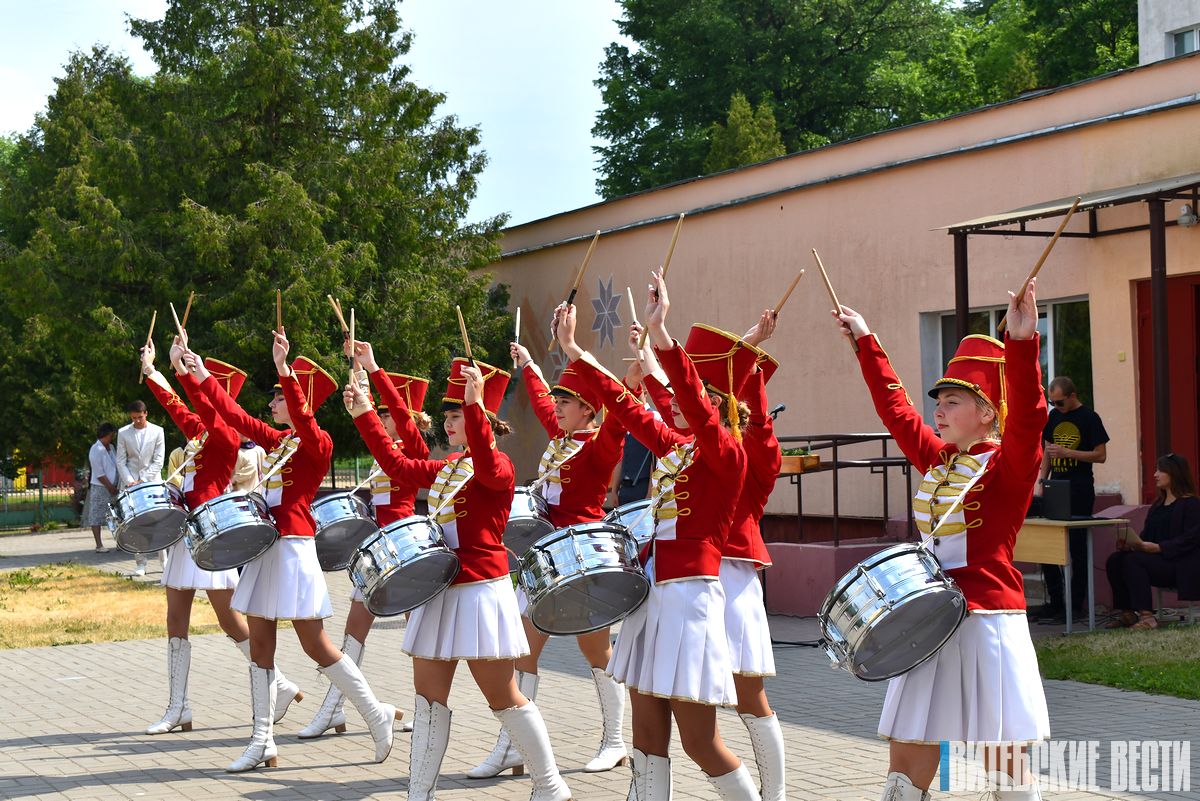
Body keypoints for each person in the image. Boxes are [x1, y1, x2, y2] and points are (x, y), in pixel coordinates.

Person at [833, 279, 1050, 801]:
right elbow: (898, 412)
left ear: (987, 412)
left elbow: (1029, 419)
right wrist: (866, 342)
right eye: (942, 400)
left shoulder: (1008, 466)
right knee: (907, 757)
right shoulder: (940, 460)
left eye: (954, 401)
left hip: (986, 622)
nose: (941, 409)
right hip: (927, 622)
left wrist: (1023, 343)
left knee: (1002, 762)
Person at [558, 270, 760, 800]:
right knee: (648, 739)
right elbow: (625, 406)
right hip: (652, 597)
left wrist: (663, 334)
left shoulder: (727, 454)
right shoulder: (677, 446)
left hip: (691, 600)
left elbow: (692, 399)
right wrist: (574, 351)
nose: (670, 400)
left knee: (700, 741)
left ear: (718, 405)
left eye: (685, 395)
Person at [344, 355, 572, 801]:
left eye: (456, 416)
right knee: (427, 701)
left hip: (480, 593)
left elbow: (487, 465)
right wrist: (364, 415)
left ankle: (550, 786)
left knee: (503, 696)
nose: (447, 424)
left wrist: (473, 406)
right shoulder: (447, 468)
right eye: (447, 416)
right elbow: (399, 467)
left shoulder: (500, 466)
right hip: (441, 591)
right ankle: (419, 794)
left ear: (478, 418)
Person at [185, 331, 398, 772]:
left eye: (279, 397)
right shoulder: (279, 442)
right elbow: (234, 415)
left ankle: (374, 713)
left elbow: (301, 417)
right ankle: (262, 738)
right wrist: (200, 371)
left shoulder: (317, 442)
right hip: (267, 549)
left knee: (314, 644)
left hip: (294, 549)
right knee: (261, 643)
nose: (272, 404)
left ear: (299, 399)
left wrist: (285, 368)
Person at [465, 336, 628, 778]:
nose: (556, 406)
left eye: (567, 401)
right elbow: (538, 402)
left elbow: (618, 417)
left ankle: (615, 741)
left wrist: (601, 367)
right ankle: (514, 745)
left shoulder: (599, 446)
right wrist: (530, 364)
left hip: (583, 558)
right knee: (523, 650)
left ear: (590, 410)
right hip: (547, 561)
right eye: (558, 399)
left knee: (597, 652)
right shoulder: (561, 439)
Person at [139, 340, 303, 736]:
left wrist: (186, 372)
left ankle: (277, 682)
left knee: (229, 619)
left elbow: (199, 403)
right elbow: (177, 407)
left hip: (212, 531)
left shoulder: (226, 436)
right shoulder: (200, 432)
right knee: (175, 617)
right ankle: (178, 706)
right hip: (187, 531)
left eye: (207, 388)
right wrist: (155, 370)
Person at [300, 339, 429, 739]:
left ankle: (427, 710)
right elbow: (371, 424)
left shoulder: (414, 450)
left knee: (419, 635)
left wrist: (372, 375)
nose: (383, 420)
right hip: (379, 549)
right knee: (353, 631)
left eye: (388, 415)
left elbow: (400, 432)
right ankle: (333, 708)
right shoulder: (384, 448)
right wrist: (359, 378)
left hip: (407, 548)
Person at [1031, 376, 1109, 623]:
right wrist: (1042, 482)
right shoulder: (1053, 418)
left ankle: (1076, 607)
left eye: (1061, 402)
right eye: (1053, 403)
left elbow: (1101, 455)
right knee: (1047, 545)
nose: (1057, 407)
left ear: (1073, 396)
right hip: (1055, 487)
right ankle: (1056, 602)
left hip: (1080, 489)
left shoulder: (1089, 418)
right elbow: (1046, 453)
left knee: (1077, 549)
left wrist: (1068, 452)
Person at [1105, 453, 1200, 630]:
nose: (1155, 475)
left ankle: (1147, 617)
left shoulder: (1191, 504)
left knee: (1134, 561)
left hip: (1179, 565)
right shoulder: (1158, 505)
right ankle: (1128, 613)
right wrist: (1132, 545)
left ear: (1174, 473)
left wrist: (1160, 548)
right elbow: (1146, 536)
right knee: (1116, 559)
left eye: (1160, 470)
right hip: (1157, 561)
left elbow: (1191, 539)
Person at [115, 399, 166, 576]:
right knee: (136, 523)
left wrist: (143, 479)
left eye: (139, 417)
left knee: (158, 522)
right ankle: (140, 562)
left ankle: (164, 561)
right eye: (134, 418)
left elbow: (159, 460)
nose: (137, 421)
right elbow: (120, 460)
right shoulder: (123, 433)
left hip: (152, 481)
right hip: (131, 483)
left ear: (146, 414)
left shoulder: (158, 431)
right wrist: (130, 481)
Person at [82, 422, 120, 552]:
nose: (112, 438)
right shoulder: (96, 449)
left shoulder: (111, 447)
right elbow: (99, 473)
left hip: (114, 486)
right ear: (105, 435)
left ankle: (119, 541)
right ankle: (99, 545)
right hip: (101, 487)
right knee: (97, 514)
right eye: (111, 435)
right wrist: (109, 487)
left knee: (116, 514)